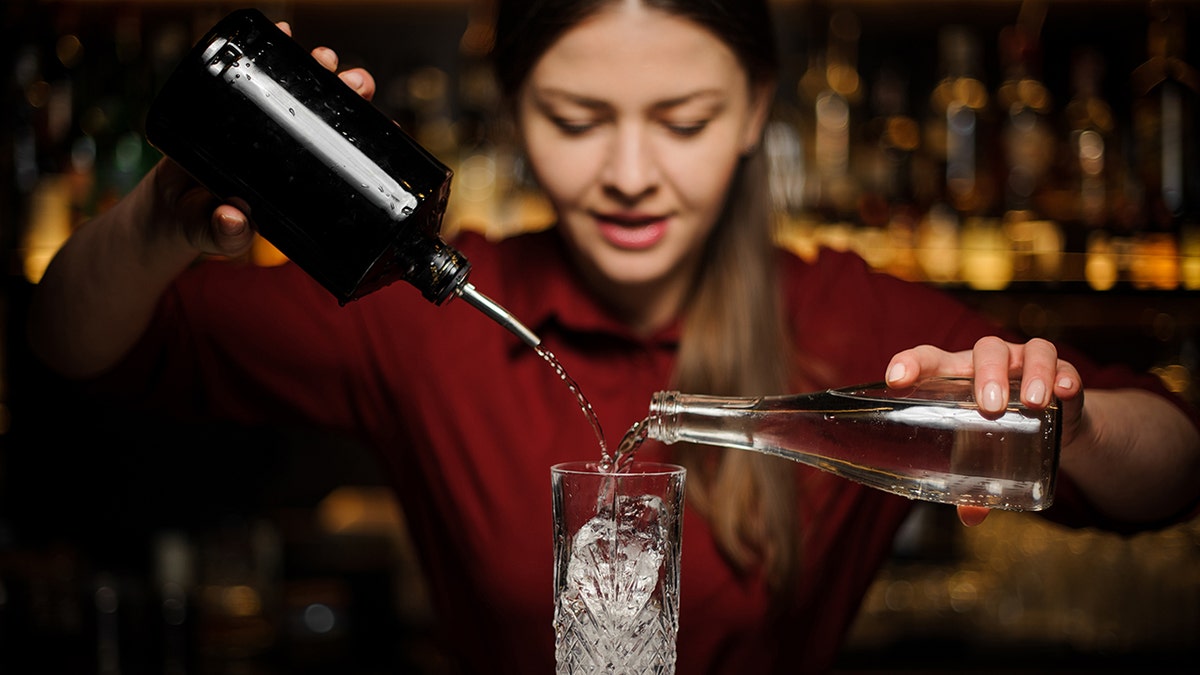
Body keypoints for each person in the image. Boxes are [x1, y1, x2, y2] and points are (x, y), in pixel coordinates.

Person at [26, 0, 1200, 672]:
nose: (631, 174)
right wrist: (162, 219)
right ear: (516, 115)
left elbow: (1172, 472)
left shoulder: (854, 316)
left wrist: (1066, 417)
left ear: (751, 116)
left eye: (682, 121)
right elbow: (78, 348)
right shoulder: (418, 315)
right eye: (578, 120)